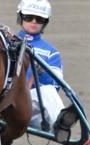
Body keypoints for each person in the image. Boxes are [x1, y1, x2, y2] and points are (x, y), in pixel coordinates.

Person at [17, 0, 64, 131]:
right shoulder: (7, 41)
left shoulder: (51, 52)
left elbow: (55, 86)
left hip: (31, 105)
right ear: (20, 17)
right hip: (5, 100)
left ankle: (61, 126)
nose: (33, 22)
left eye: (39, 19)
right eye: (28, 17)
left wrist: (42, 73)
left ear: (45, 22)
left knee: (48, 91)